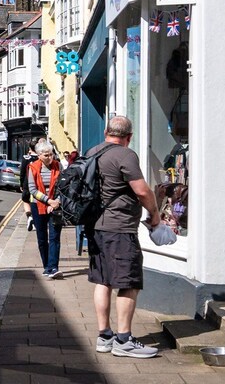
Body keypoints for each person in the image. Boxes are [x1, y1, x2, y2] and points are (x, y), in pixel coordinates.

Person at [87, 115, 161, 359]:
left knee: (103, 281)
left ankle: (104, 336)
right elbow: (142, 190)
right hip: (119, 228)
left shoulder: (92, 152)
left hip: (96, 227)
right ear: (129, 136)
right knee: (129, 282)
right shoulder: (125, 155)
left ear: (106, 132)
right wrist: (155, 213)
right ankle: (124, 340)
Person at [27, 141, 65, 279]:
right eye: (46, 155)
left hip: (56, 206)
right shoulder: (33, 167)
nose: (50, 158)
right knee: (42, 238)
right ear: (39, 155)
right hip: (38, 205)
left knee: (54, 237)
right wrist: (49, 201)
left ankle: (53, 267)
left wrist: (57, 202)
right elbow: (32, 189)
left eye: (51, 154)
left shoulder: (58, 166)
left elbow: (63, 186)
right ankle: (47, 266)